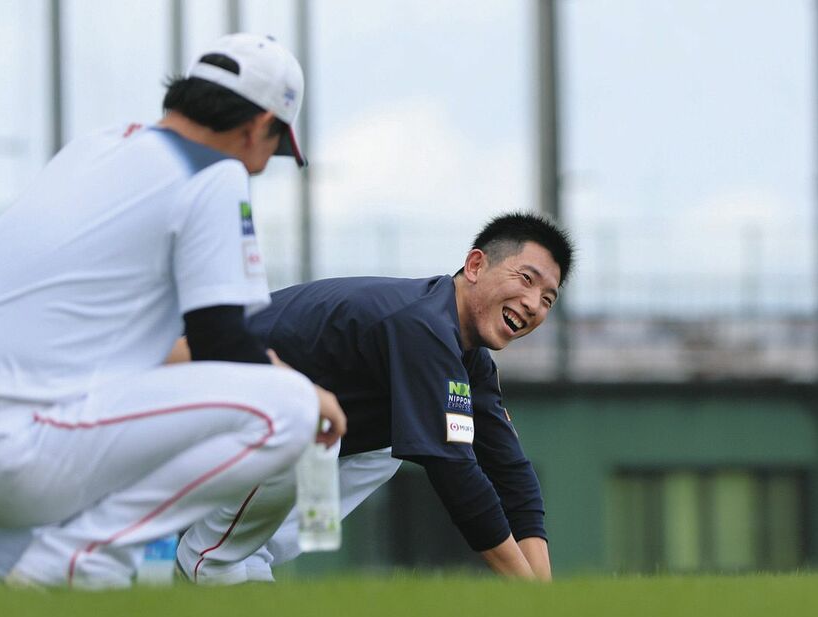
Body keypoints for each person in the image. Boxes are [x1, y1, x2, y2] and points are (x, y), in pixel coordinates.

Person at [0, 33, 345, 589]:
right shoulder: (215, 172)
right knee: (289, 411)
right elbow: (221, 344)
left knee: (121, 397)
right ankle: (79, 560)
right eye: (273, 148)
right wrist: (305, 389)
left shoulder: (93, 148)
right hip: (9, 451)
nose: (260, 167)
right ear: (256, 127)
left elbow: (153, 349)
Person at [170, 211, 574, 581]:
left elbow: (510, 470)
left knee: (382, 449)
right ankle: (209, 557)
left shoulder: (471, 359)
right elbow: (455, 473)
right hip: (184, 397)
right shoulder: (422, 325)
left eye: (547, 298)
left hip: (241, 424)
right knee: (308, 422)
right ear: (474, 265)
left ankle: (251, 554)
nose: (533, 304)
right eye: (526, 278)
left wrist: (543, 595)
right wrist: (522, 585)